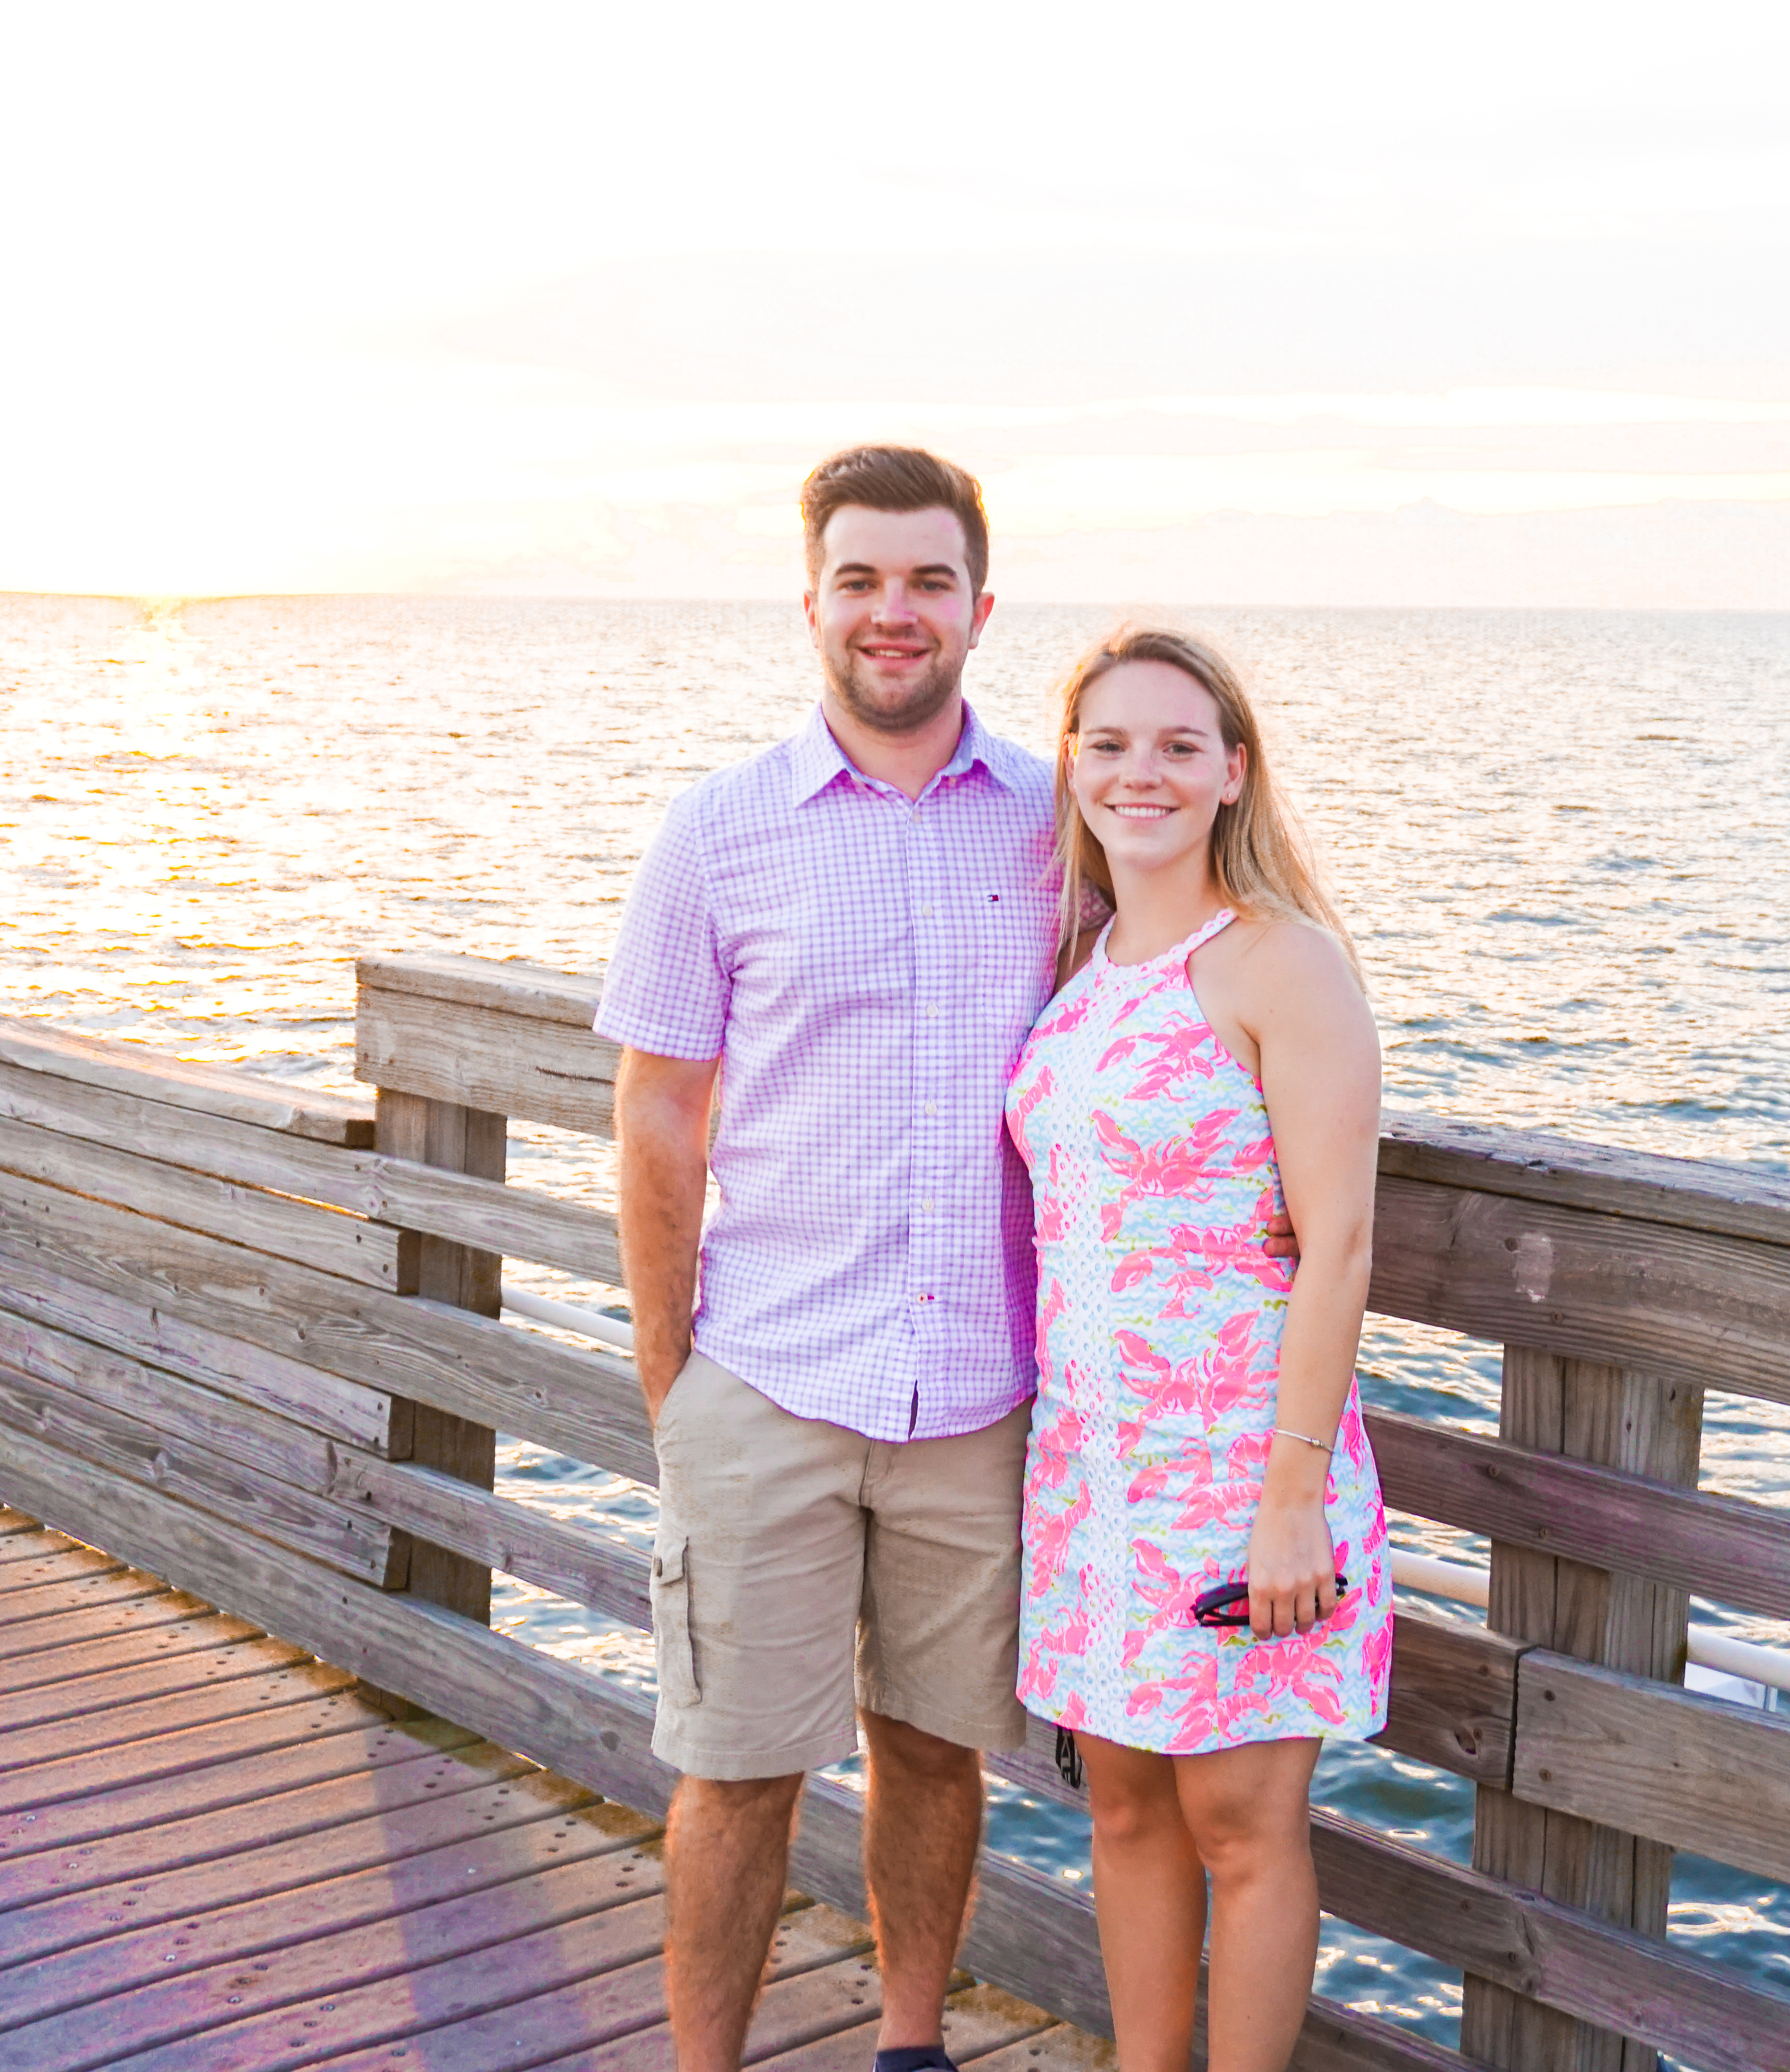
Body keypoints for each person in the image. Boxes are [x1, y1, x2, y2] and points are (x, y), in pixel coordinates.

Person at [597, 445, 1058, 2072]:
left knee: (939, 1756)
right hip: (771, 1379)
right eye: (860, 578)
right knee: (735, 1770)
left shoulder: (1065, 824)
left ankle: (912, 2048)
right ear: (812, 603)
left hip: (980, 1396)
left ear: (980, 608)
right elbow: (656, 1116)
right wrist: (677, 1384)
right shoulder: (722, 834)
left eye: (928, 579)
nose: (894, 611)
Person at [1007, 626, 1392, 2072]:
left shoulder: (1281, 965)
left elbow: (1338, 1246)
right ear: (1073, 768)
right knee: (1121, 1808)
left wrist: (1292, 1491)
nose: (1139, 773)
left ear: (1234, 771)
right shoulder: (1088, 966)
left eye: (1177, 744)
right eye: (1107, 743)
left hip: (1243, 1469)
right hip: (1096, 1479)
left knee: (1242, 1824)